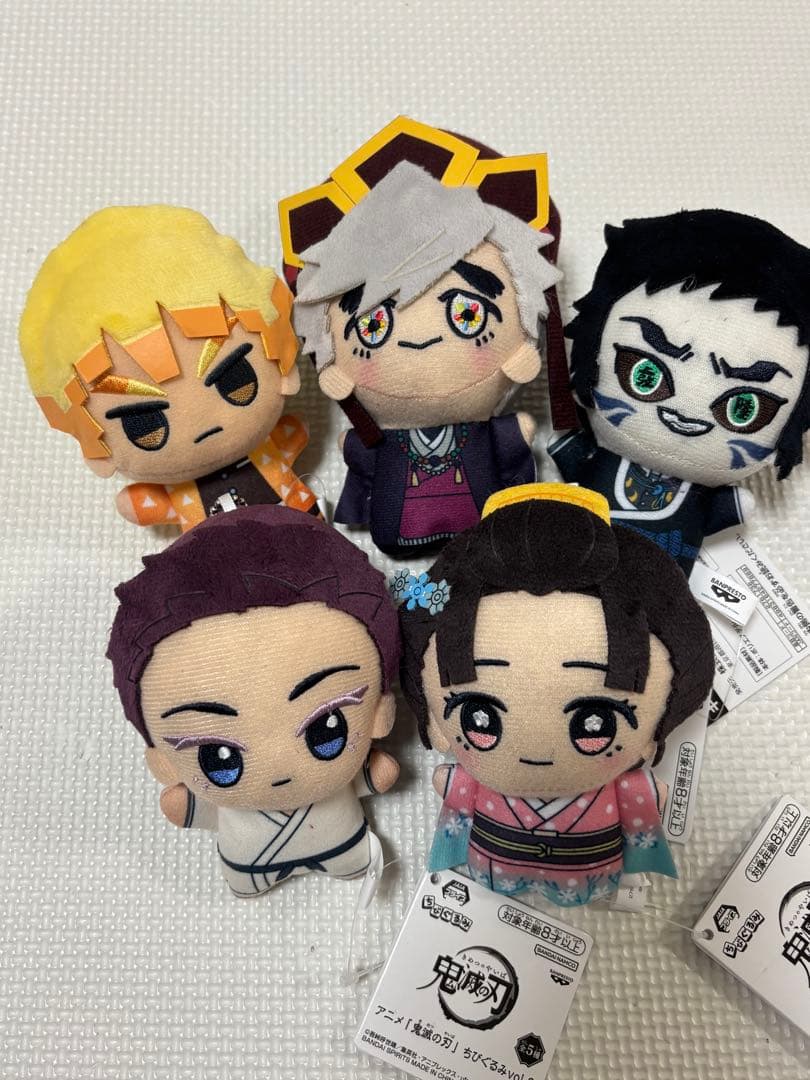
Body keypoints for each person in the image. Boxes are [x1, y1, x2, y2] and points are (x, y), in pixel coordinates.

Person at [398, 483, 713, 906]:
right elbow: (652, 795)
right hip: (511, 868)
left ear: (653, 734)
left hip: (572, 872)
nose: (537, 753)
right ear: (437, 725)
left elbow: (446, 782)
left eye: (595, 724)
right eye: (478, 717)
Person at [281, 116, 562, 556]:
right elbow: (358, 455)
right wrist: (336, 379)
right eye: (373, 327)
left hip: (486, 539)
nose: (421, 340)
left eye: (466, 314)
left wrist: (520, 383)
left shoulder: (480, 430)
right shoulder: (378, 438)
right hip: (399, 529)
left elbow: (515, 445)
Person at [107, 505, 400, 895]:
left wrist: (375, 774)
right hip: (253, 859)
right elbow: (182, 807)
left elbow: (380, 773)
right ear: (164, 762)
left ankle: (343, 863)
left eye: (326, 731)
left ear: (379, 714)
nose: (279, 772)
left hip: (344, 846)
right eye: (219, 759)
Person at [19, 205, 317, 530]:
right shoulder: (187, 491)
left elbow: (296, 432)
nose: (201, 420)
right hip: (222, 560)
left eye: (235, 381)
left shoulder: (270, 451)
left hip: (309, 540)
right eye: (147, 425)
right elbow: (140, 506)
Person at [550, 209, 810, 575]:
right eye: (646, 375)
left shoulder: (701, 500)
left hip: (659, 590)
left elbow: (730, 509)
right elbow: (565, 454)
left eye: (743, 407)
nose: (686, 414)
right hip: (570, 565)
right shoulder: (599, 463)